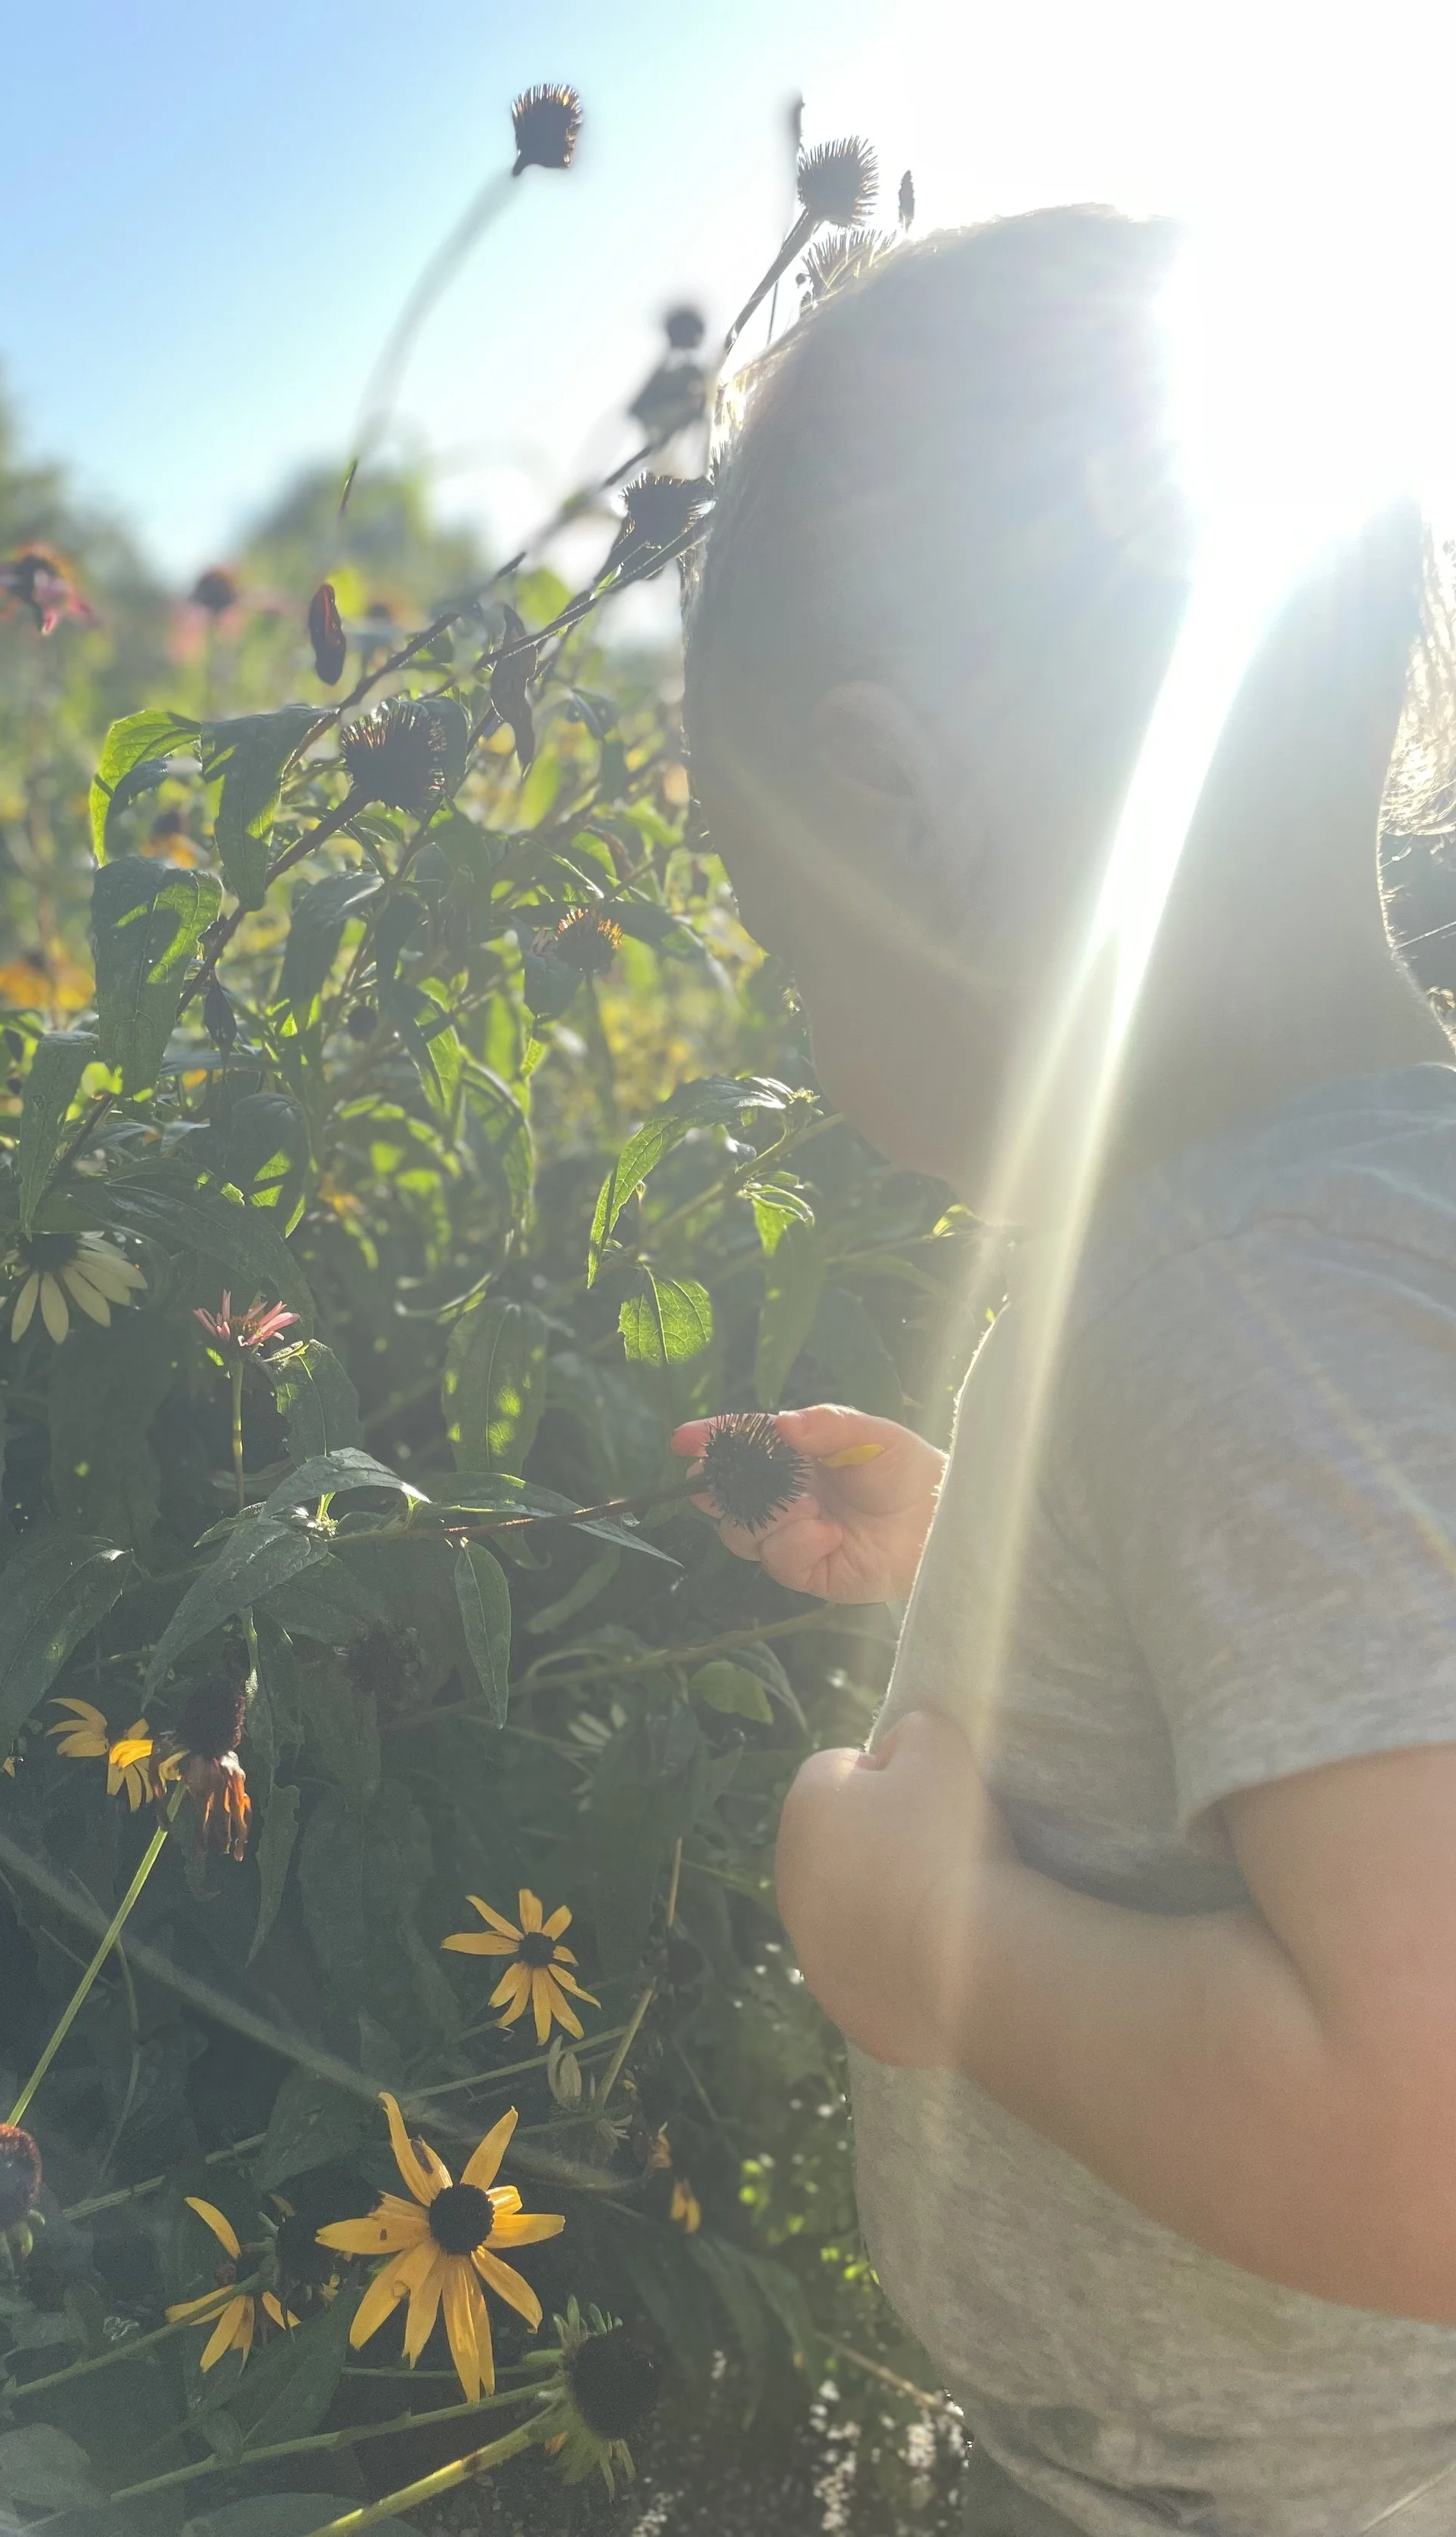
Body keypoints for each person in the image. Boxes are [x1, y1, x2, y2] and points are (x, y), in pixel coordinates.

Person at [675, 205, 1456, 2535]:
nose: (812, 1037)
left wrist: (942, 1948)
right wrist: (1005, 1561)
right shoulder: (1352, 1204)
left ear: (902, 810)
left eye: (792, 947)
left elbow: (1423, 2127)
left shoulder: (1229, 1287)